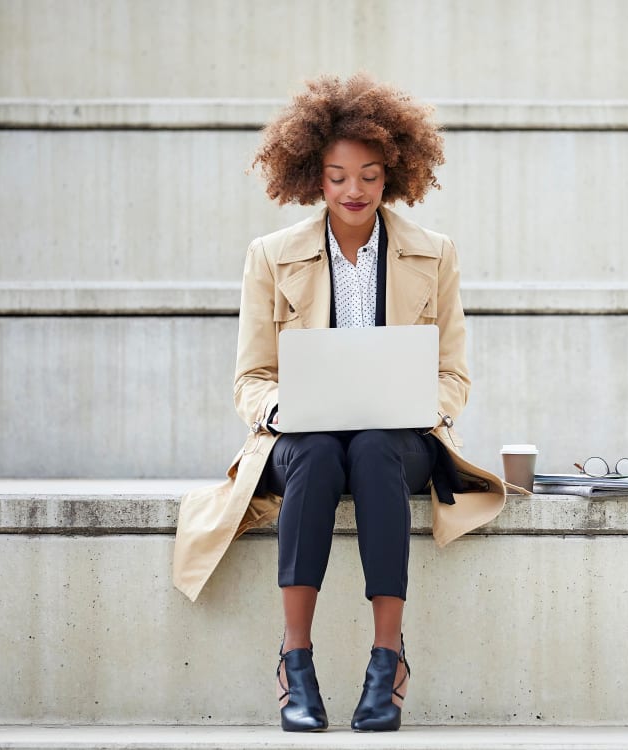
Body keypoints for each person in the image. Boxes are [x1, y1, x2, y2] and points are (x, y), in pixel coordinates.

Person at [172, 73, 512, 733]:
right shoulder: (271, 257)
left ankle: (388, 659)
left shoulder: (433, 254)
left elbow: (454, 375)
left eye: (369, 174)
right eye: (335, 177)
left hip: (401, 438)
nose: (353, 191)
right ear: (311, 178)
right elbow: (252, 378)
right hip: (302, 439)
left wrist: (420, 403)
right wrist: (282, 409)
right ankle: (294, 659)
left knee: (376, 447)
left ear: (394, 174)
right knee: (321, 451)